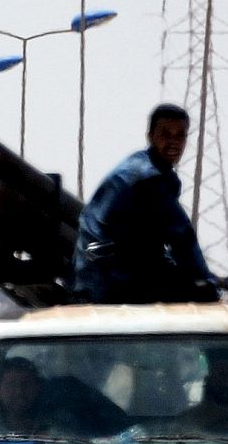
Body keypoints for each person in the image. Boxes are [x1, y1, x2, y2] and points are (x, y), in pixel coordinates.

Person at [72, 104, 219, 304]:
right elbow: (182, 238)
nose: (173, 142)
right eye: (166, 134)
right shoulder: (148, 179)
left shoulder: (140, 166)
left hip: (94, 276)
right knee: (202, 294)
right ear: (150, 136)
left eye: (180, 136)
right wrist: (207, 282)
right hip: (110, 281)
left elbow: (149, 245)